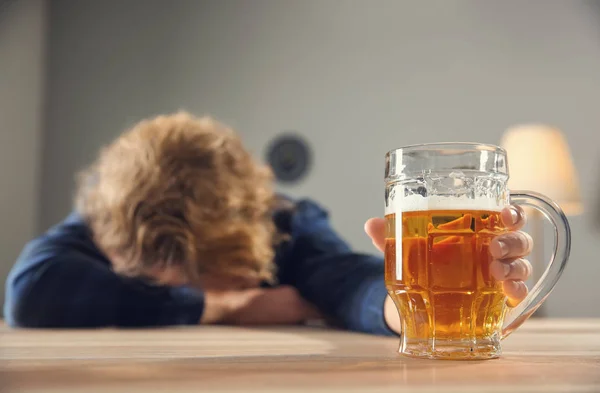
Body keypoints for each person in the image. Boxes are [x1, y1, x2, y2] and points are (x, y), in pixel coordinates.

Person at [3, 112, 533, 334]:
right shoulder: (110, 217)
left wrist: (416, 308)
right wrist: (220, 305)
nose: (175, 285)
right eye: (152, 279)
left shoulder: (286, 223)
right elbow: (29, 292)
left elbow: (350, 282)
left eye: (197, 273)